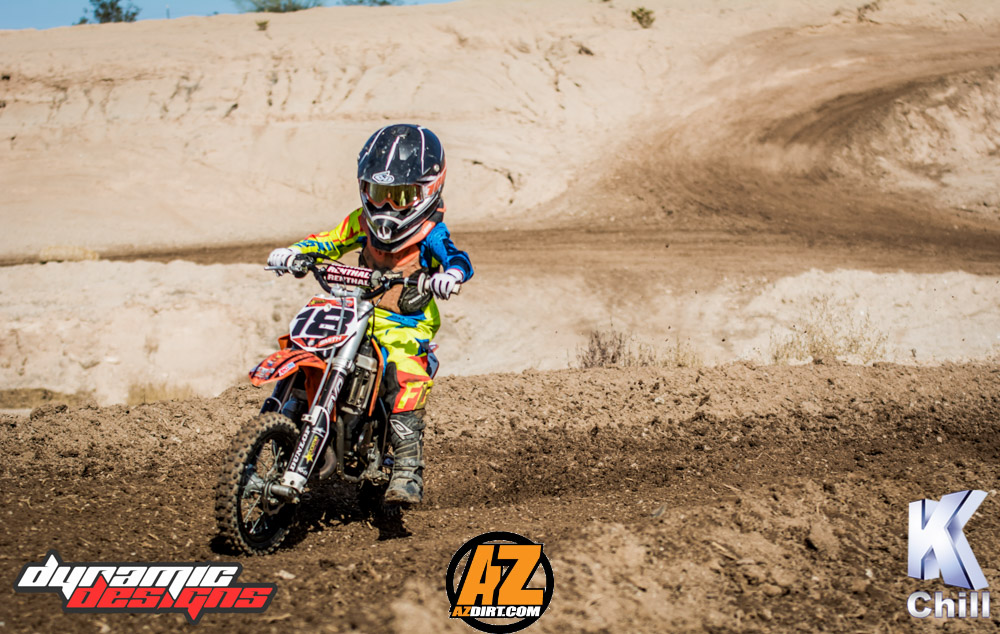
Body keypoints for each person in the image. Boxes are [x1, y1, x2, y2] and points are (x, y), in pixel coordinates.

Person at [267, 124, 472, 505]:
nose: (388, 206)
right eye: (379, 193)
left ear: (428, 190)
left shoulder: (431, 233)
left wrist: (450, 276)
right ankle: (284, 417)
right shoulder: (360, 222)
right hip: (355, 309)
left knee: (404, 375)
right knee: (307, 340)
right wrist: (295, 252)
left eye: (401, 196)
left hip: (405, 323)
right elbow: (329, 241)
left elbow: (458, 259)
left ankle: (407, 470)